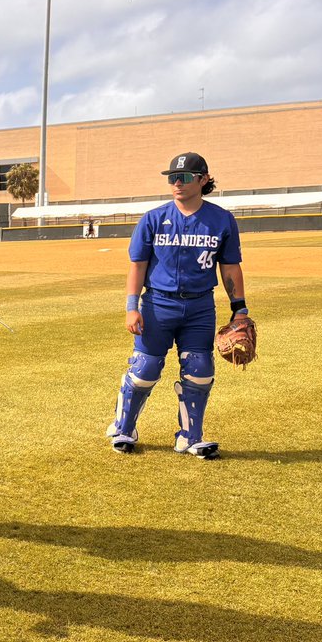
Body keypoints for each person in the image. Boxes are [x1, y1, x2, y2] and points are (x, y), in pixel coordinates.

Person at [106, 152, 247, 459]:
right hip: (157, 304)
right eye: (172, 178)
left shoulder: (221, 220)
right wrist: (132, 307)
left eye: (183, 177)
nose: (176, 183)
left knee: (200, 370)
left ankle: (190, 437)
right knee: (145, 369)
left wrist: (240, 308)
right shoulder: (154, 218)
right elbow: (137, 265)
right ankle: (123, 428)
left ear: (203, 179)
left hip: (199, 308)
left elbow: (230, 267)